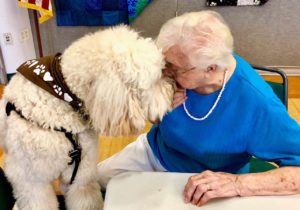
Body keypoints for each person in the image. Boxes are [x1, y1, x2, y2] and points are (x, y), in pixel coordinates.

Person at [97, 10, 300, 206]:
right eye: (162, 61)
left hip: (211, 182)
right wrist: (155, 112)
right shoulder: (171, 65)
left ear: (210, 68)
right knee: (92, 182)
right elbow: (145, 118)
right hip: (155, 153)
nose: (163, 72)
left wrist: (236, 184)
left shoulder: (257, 103)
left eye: (174, 68)